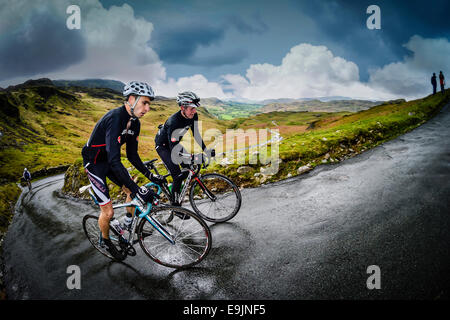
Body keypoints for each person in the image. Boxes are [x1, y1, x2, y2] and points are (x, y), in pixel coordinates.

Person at [82, 81, 164, 260]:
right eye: (145, 103)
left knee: (131, 188)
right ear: (132, 99)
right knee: (108, 212)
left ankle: (127, 223)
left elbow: (132, 156)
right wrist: (139, 190)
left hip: (110, 162)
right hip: (95, 164)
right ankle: (105, 240)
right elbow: (114, 159)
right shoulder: (115, 118)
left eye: (149, 104)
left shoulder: (135, 123)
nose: (147, 108)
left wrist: (151, 176)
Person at [154, 91, 215, 218]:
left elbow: (196, 135)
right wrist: (194, 157)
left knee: (190, 168)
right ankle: (176, 207)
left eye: (195, 108)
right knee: (177, 175)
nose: (194, 111)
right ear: (183, 107)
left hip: (175, 144)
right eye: (191, 108)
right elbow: (173, 151)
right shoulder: (173, 122)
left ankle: (176, 189)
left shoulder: (193, 116)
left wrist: (205, 150)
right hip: (164, 147)